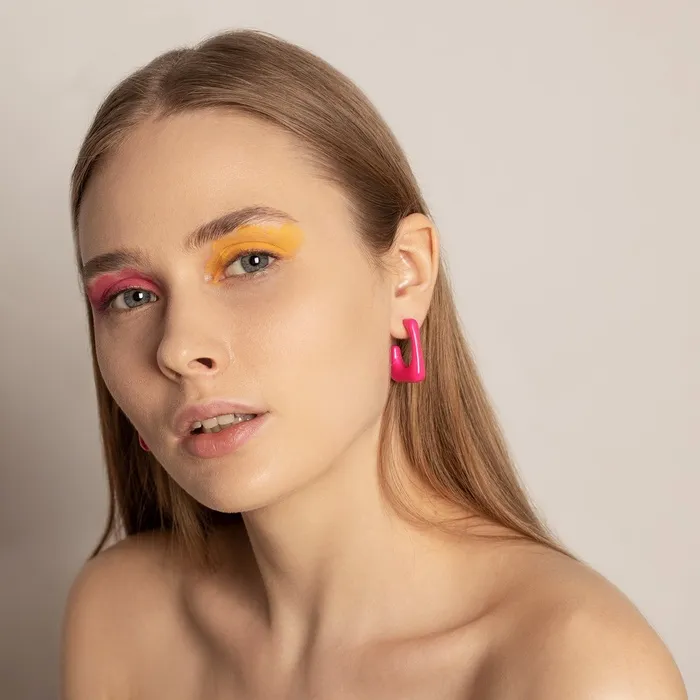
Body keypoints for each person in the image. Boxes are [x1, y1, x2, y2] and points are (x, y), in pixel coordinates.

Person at [60, 28, 687, 699]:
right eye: (129, 296)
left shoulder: (580, 671)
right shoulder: (122, 617)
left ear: (406, 275)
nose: (178, 348)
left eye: (251, 261)